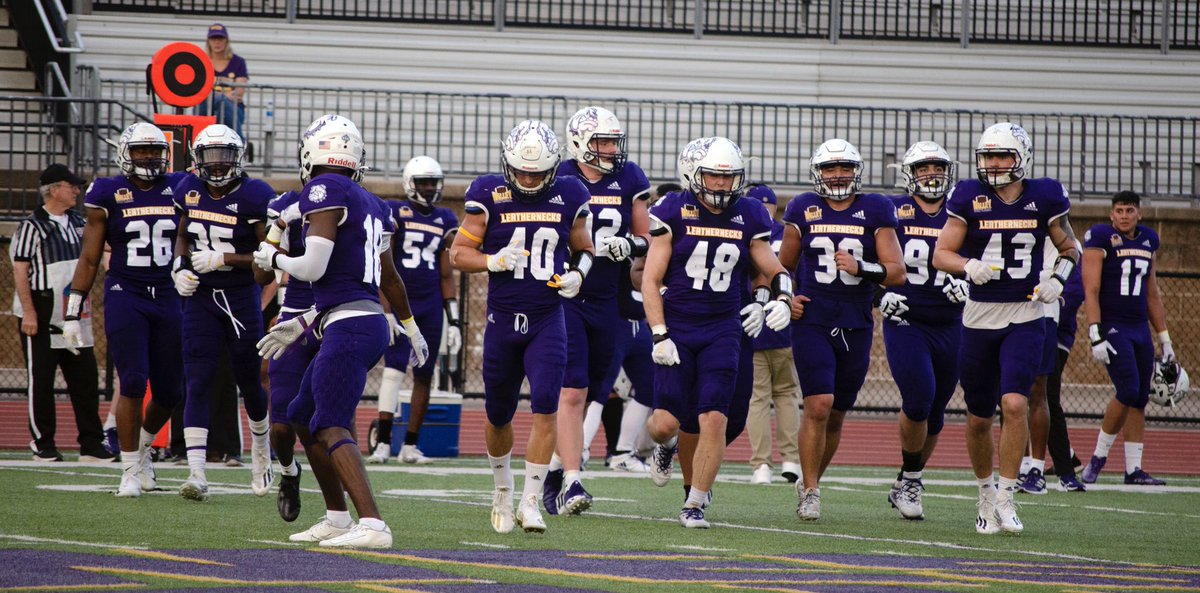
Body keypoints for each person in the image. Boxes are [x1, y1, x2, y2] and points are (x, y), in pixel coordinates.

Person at [253, 114, 427, 548]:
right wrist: (410, 326)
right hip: (353, 318)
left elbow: (312, 267)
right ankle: (336, 516)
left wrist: (272, 260)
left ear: (312, 153)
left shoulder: (322, 188)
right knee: (300, 416)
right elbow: (389, 278)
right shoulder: (375, 203)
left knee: (330, 424)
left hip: (349, 324)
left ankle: (373, 524)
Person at [933, 122, 1079, 534]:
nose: (994, 165)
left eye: (1003, 157)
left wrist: (1057, 280)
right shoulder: (968, 196)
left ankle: (1007, 495)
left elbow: (1071, 248)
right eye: (988, 157)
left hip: (1026, 314)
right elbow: (941, 254)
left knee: (1015, 403)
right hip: (980, 317)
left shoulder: (1045, 196)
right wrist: (968, 265)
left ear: (1022, 159)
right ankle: (984, 493)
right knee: (979, 417)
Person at [449, 119, 594, 534]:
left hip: (548, 318)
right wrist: (490, 261)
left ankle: (530, 501)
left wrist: (579, 275)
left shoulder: (570, 192)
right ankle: (502, 488)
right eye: (522, 170)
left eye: (537, 172)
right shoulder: (488, 193)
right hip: (502, 320)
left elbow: (585, 248)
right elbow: (459, 254)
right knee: (498, 414)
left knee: (546, 405)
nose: (529, 179)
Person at [642, 136, 792, 529]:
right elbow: (651, 278)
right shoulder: (673, 210)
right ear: (694, 175)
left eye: (730, 178)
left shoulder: (750, 215)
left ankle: (693, 504)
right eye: (714, 176)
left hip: (723, 328)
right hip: (678, 323)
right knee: (664, 424)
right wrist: (659, 334)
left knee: (714, 418)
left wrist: (778, 299)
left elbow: (774, 269)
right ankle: (669, 447)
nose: (723, 185)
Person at [779, 138, 905, 521]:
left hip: (856, 320)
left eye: (844, 168)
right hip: (812, 319)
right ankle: (812, 490)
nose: (838, 175)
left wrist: (861, 267)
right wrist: (788, 298)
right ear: (818, 173)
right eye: (830, 169)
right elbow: (781, 267)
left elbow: (896, 271)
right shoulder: (802, 207)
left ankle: (811, 480)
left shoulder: (876, 208)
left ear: (857, 171)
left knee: (836, 413)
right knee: (818, 404)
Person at [63, 122, 188, 497]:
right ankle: (130, 469)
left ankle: (145, 451)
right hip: (126, 292)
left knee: (170, 392)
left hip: (170, 294)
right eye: (140, 150)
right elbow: (89, 255)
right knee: (132, 381)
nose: (148, 157)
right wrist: (73, 308)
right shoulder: (107, 192)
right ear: (125, 154)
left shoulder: (180, 187)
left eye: (154, 150)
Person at [539, 106, 651, 516]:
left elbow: (647, 235)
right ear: (579, 141)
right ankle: (573, 480)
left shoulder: (630, 177)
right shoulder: (561, 175)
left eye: (613, 142)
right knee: (571, 390)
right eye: (602, 142)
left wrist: (631, 247)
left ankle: (555, 469)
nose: (610, 150)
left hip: (610, 299)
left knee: (591, 391)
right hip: (568, 295)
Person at [170, 124, 275, 501]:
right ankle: (197, 473)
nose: (216, 165)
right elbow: (183, 232)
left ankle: (261, 452)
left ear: (238, 156)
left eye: (224, 156)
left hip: (240, 296)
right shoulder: (188, 189)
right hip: (201, 296)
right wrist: (179, 266)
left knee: (248, 380)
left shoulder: (256, 195)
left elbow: (268, 262)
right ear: (197, 159)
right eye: (209, 157)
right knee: (196, 378)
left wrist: (226, 258)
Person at [877, 142, 968, 519]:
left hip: (950, 321)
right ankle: (913, 480)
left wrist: (971, 285)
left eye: (936, 167)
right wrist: (877, 294)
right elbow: (870, 262)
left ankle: (907, 475)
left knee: (936, 412)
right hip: (906, 318)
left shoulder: (962, 211)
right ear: (909, 173)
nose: (931, 173)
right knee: (918, 397)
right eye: (923, 167)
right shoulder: (892, 210)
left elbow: (987, 262)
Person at [12, 164, 111, 463]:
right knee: (41, 380)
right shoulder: (32, 226)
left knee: (85, 378)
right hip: (42, 309)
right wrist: (28, 312)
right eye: (72, 186)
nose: (77, 191)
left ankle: (92, 444)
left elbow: (101, 250)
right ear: (54, 189)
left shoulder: (80, 222)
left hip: (75, 311)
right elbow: (20, 270)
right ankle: (43, 443)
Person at [368, 156, 462, 465]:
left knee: (425, 374)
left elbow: (447, 273)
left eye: (433, 182)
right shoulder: (396, 211)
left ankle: (409, 445)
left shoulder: (445, 218)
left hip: (430, 306)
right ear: (411, 183)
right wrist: (386, 310)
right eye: (423, 182)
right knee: (394, 371)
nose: (429, 188)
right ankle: (382, 442)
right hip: (401, 302)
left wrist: (454, 320)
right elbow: (384, 264)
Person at [1080, 190, 1172, 486]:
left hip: (1139, 328)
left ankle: (1134, 469)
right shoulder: (1100, 237)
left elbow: (1152, 293)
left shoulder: (1148, 240)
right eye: (1118, 210)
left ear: (1139, 214)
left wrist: (1165, 339)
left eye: (1129, 211)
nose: (1123, 216)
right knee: (1128, 388)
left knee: (1140, 397)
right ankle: (1098, 457)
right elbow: (1090, 289)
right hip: (1113, 325)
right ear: (1111, 214)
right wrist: (1095, 331)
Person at [742, 183, 801, 486]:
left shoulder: (744, 231)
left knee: (759, 398)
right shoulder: (787, 234)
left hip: (754, 325)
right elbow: (794, 277)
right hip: (786, 322)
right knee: (788, 395)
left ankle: (761, 465)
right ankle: (791, 459)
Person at [196, 24, 248, 137]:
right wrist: (224, 95)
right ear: (208, 41)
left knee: (223, 104)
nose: (217, 42)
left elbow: (238, 93)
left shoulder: (238, 62)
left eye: (220, 38)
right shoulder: (202, 61)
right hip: (206, 106)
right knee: (217, 100)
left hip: (233, 107)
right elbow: (199, 91)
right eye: (213, 39)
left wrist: (215, 92)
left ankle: (237, 144)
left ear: (226, 41)